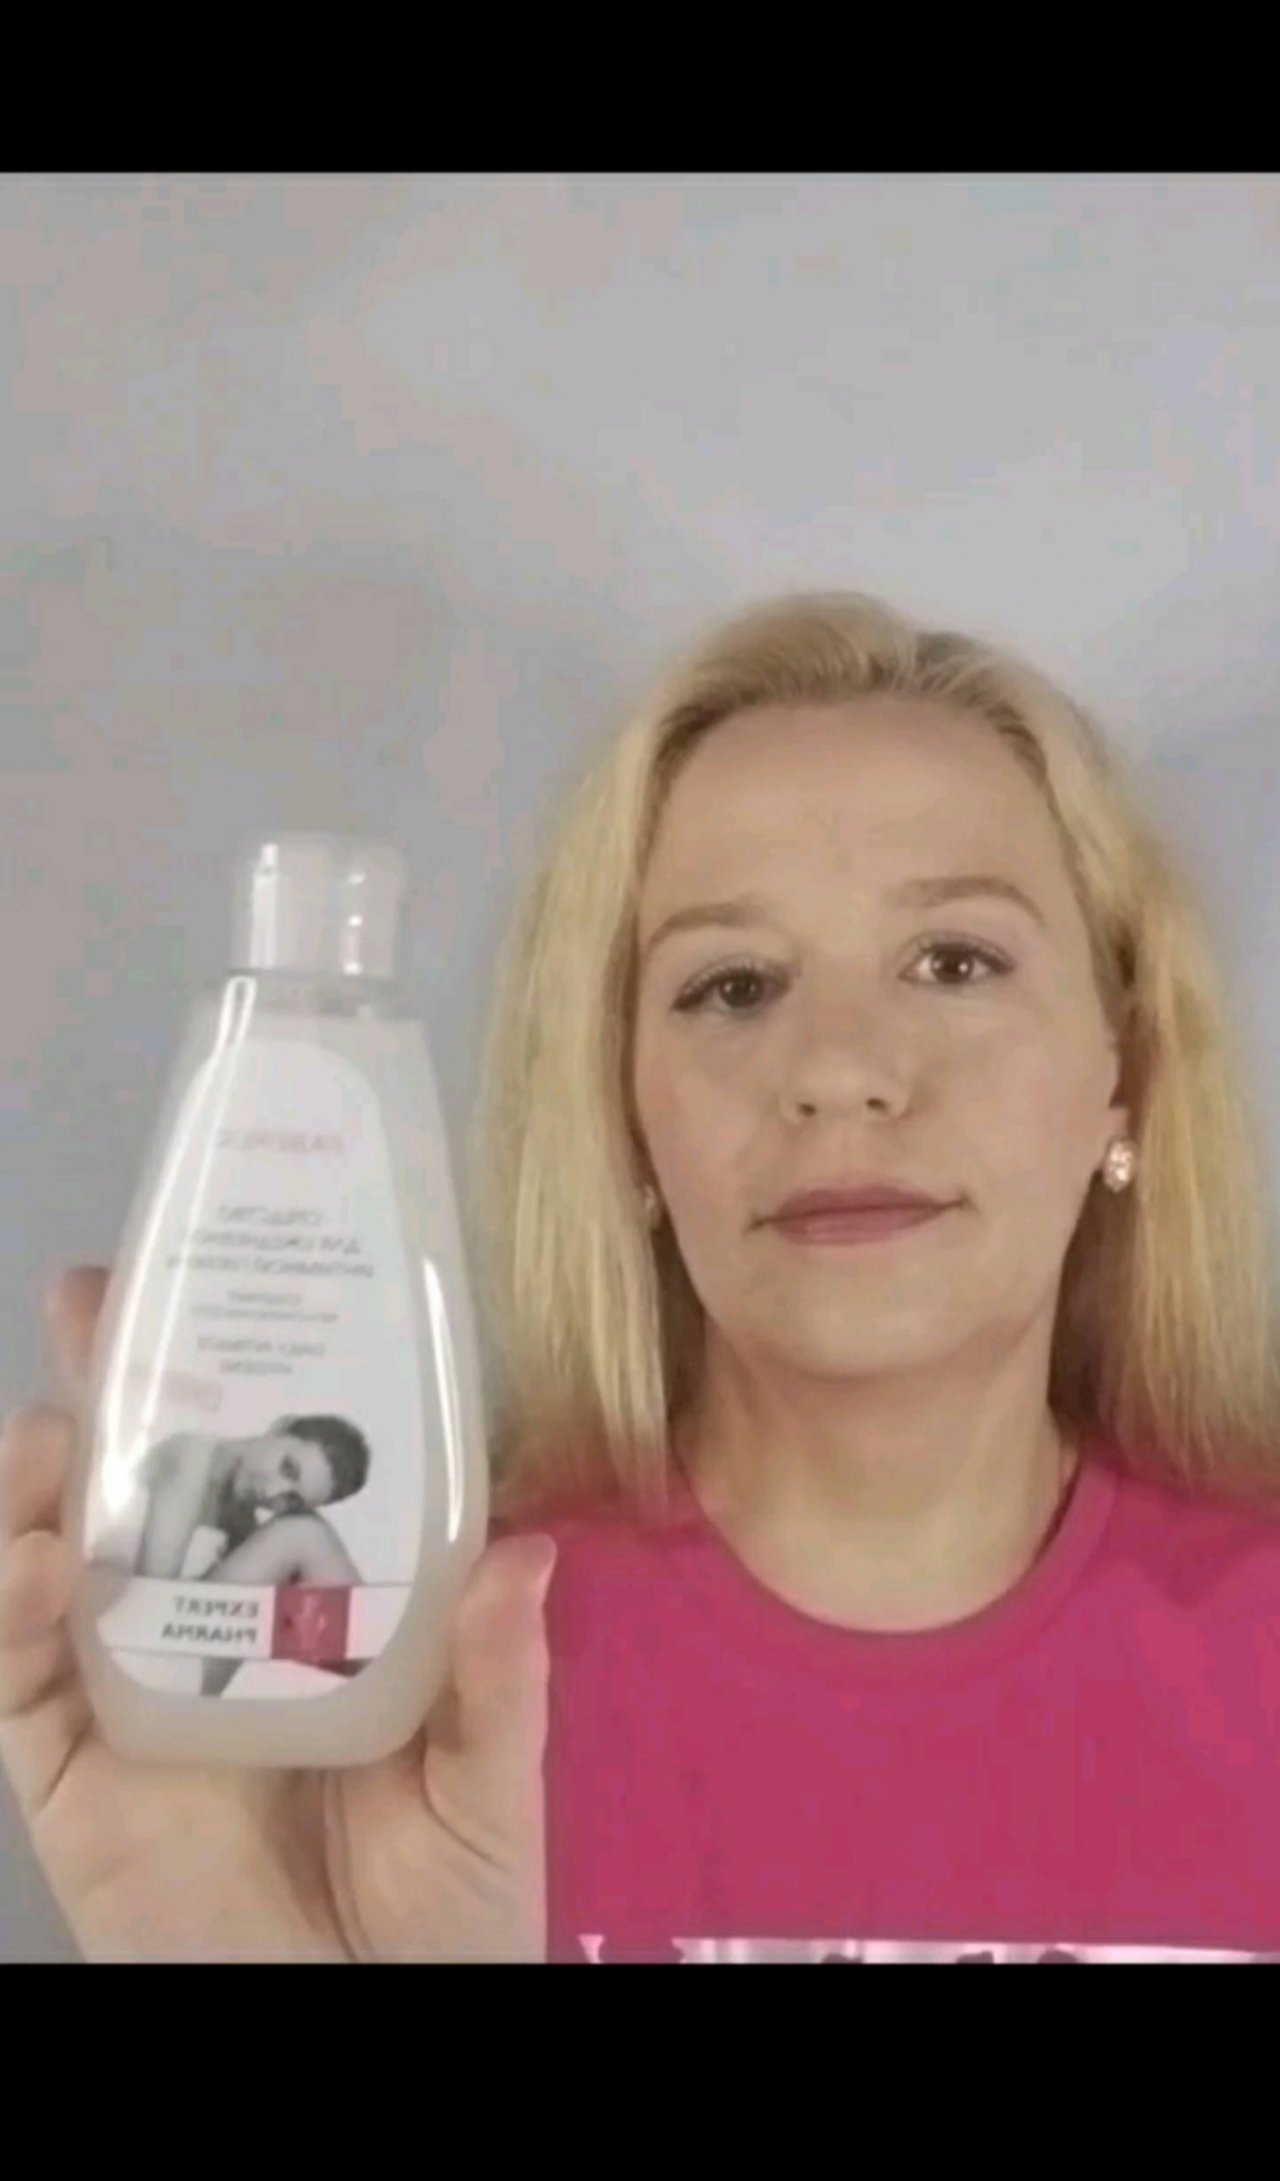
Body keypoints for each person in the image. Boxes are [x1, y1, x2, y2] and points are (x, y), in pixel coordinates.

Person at [4, 589, 1280, 1964]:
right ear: (621, 1112)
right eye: (732, 985)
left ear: (1123, 1070)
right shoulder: (391, 1687)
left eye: (953, 960)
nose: (838, 1068)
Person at [130, 1416, 369, 1697]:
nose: (271, 1492)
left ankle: (382, 1674)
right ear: (279, 1427)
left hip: (172, 1672)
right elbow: (151, 1604)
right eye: (287, 1468)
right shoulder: (192, 1455)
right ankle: (387, 1671)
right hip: (137, 1651)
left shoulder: (242, 1520)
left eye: (291, 1500)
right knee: (305, 1532)